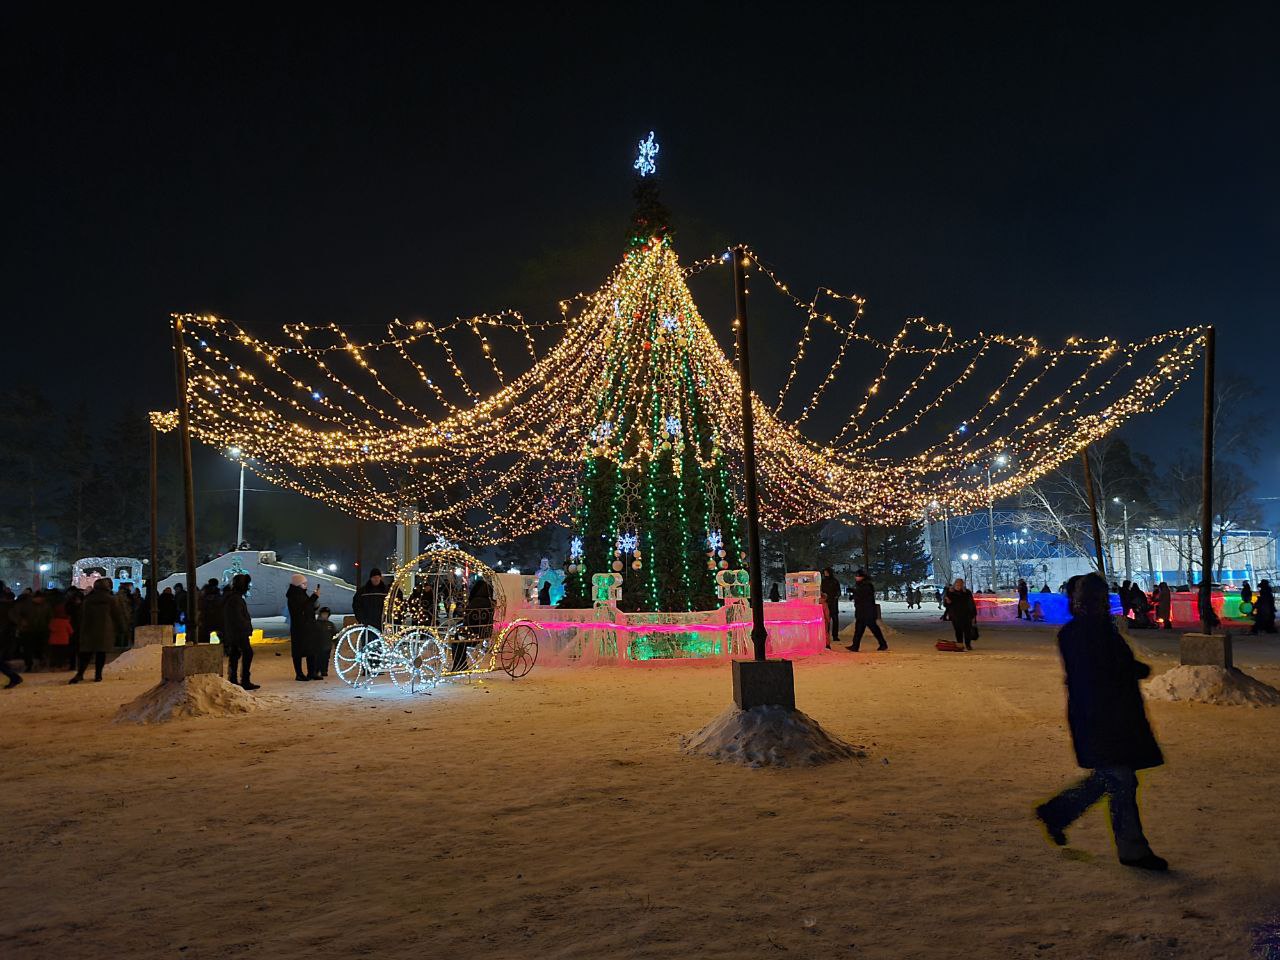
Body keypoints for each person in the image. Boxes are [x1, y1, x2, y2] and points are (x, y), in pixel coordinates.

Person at [1035, 573, 1168, 871]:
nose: (1101, 605)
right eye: (1096, 599)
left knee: (1117, 778)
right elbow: (1100, 673)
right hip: (1104, 717)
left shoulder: (1092, 631)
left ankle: (1058, 812)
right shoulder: (1085, 634)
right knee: (1119, 779)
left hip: (1108, 716)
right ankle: (1132, 849)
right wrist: (1133, 670)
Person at [71, 578, 125, 683]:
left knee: (86, 653)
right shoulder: (111, 599)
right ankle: (98, 675)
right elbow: (117, 615)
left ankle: (80, 673)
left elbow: (81, 615)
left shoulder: (88, 599)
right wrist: (122, 627)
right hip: (105, 629)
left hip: (88, 628)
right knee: (101, 653)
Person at [222, 573, 258, 690]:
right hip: (238, 633)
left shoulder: (233, 598)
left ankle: (234, 679)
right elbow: (238, 618)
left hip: (235, 632)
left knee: (235, 654)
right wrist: (246, 627)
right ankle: (243, 679)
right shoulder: (235, 599)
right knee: (247, 653)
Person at [285, 573, 321, 680]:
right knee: (298, 651)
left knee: (311, 649)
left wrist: (314, 604)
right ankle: (299, 674)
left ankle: (311, 672)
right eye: (304, 583)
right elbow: (301, 608)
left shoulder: (301, 593)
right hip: (299, 627)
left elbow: (307, 607)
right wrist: (314, 597)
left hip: (308, 626)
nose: (306, 585)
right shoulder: (294, 595)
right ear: (298, 584)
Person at [846, 569, 888, 652]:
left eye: (858, 576)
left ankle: (882, 644)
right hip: (862, 611)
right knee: (859, 629)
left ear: (862, 577)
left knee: (873, 629)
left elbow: (863, 595)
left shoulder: (866, 585)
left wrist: (854, 592)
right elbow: (859, 595)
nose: (856, 578)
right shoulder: (860, 585)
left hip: (867, 612)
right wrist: (853, 595)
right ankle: (855, 645)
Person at [947, 577, 978, 650]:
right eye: (957, 585)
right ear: (954, 585)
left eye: (960, 585)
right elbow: (946, 604)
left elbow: (971, 604)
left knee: (967, 630)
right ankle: (960, 644)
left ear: (962, 585)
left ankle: (968, 644)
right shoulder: (950, 592)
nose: (959, 586)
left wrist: (973, 614)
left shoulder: (967, 592)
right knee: (958, 630)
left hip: (967, 615)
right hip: (955, 615)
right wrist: (947, 602)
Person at [819, 567, 841, 649]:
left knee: (835, 619)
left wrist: (836, 597)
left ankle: (835, 635)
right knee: (826, 620)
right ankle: (826, 635)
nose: (825, 574)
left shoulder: (835, 581)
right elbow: (820, 591)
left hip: (833, 603)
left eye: (826, 572)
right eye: (824, 572)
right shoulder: (823, 581)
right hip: (826, 603)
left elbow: (838, 591)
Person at [198, 578, 224, 644]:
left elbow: (200, 605)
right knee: (222, 637)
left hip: (205, 619)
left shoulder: (203, 594)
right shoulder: (218, 595)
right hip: (216, 619)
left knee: (204, 639)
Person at [314, 607, 337, 679]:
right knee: (317, 658)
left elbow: (335, 634)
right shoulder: (316, 624)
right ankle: (316, 670)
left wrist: (336, 643)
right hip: (317, 646)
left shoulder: (330, 624)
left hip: (327, 646)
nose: (325, 615)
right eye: (323, 614)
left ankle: (324, 670)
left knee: (325, 659)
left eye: (326, 614)